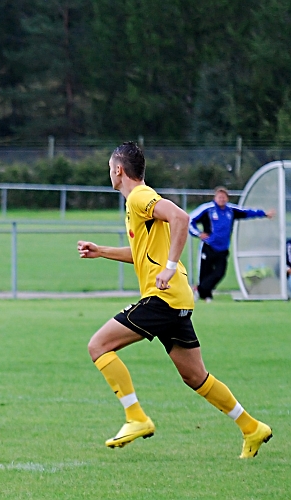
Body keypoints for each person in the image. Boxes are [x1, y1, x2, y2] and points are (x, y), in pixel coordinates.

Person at [77, 141, 272, 458]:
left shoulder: (140, 196)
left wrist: (168, 268)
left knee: (98, 346)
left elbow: (181, 218)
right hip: (176, 298)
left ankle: (136, 417)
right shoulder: (136, 203)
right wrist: (102, 252)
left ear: (118, 170)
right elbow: (141, 254)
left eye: (109, 168)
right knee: (195, 376)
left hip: (162, 297)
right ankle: (252, 428)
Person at [189, 186, 274, 302]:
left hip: (223, 248)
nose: (222, 200)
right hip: (208, 246)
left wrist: (264, 214)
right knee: (205, 272)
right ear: (215, 198)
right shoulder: (207, 209)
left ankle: (199, 289)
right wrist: (198, 234)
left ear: (227, 198)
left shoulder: (231, 210)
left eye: (224, 197)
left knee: (220, 273)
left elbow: (247, 212)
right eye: (219, 197)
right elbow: (190, 220)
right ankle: (206, 295)